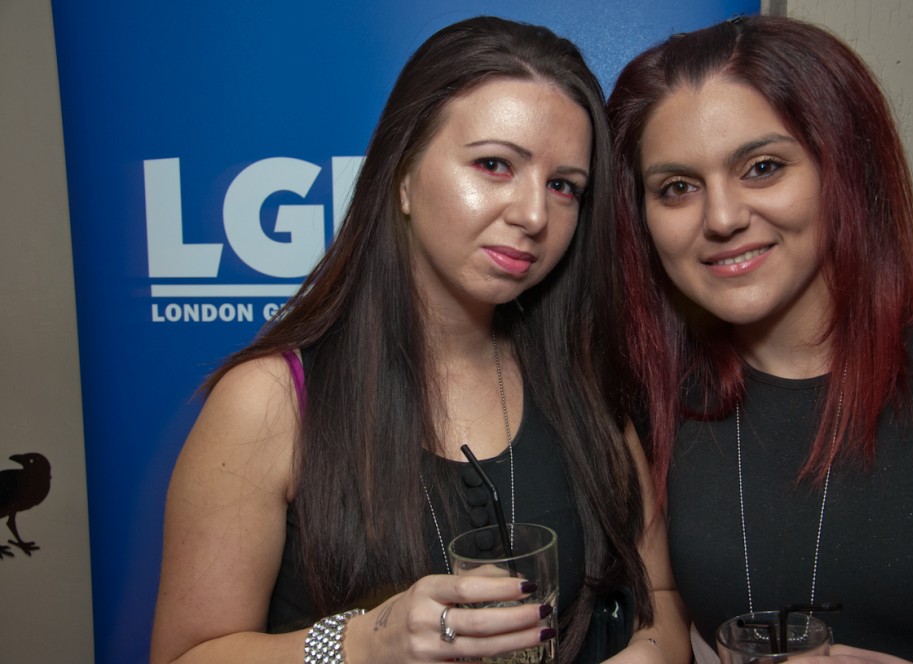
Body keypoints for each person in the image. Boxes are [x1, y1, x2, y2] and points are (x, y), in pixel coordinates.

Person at [150, 15, 690, 664]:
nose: (533, 214)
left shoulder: (585, 381)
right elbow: (185, 655)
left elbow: (659, 596)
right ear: (403, 176)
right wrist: (364, 643)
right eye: (494, 164)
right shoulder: (271, 400)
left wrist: (649, 652)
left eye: (563, 186)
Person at [607, 14, 913, 664]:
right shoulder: (652, 401)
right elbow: (664, 617)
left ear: (842, 169)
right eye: (677, 188)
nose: (723, 218)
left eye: (762, 168)